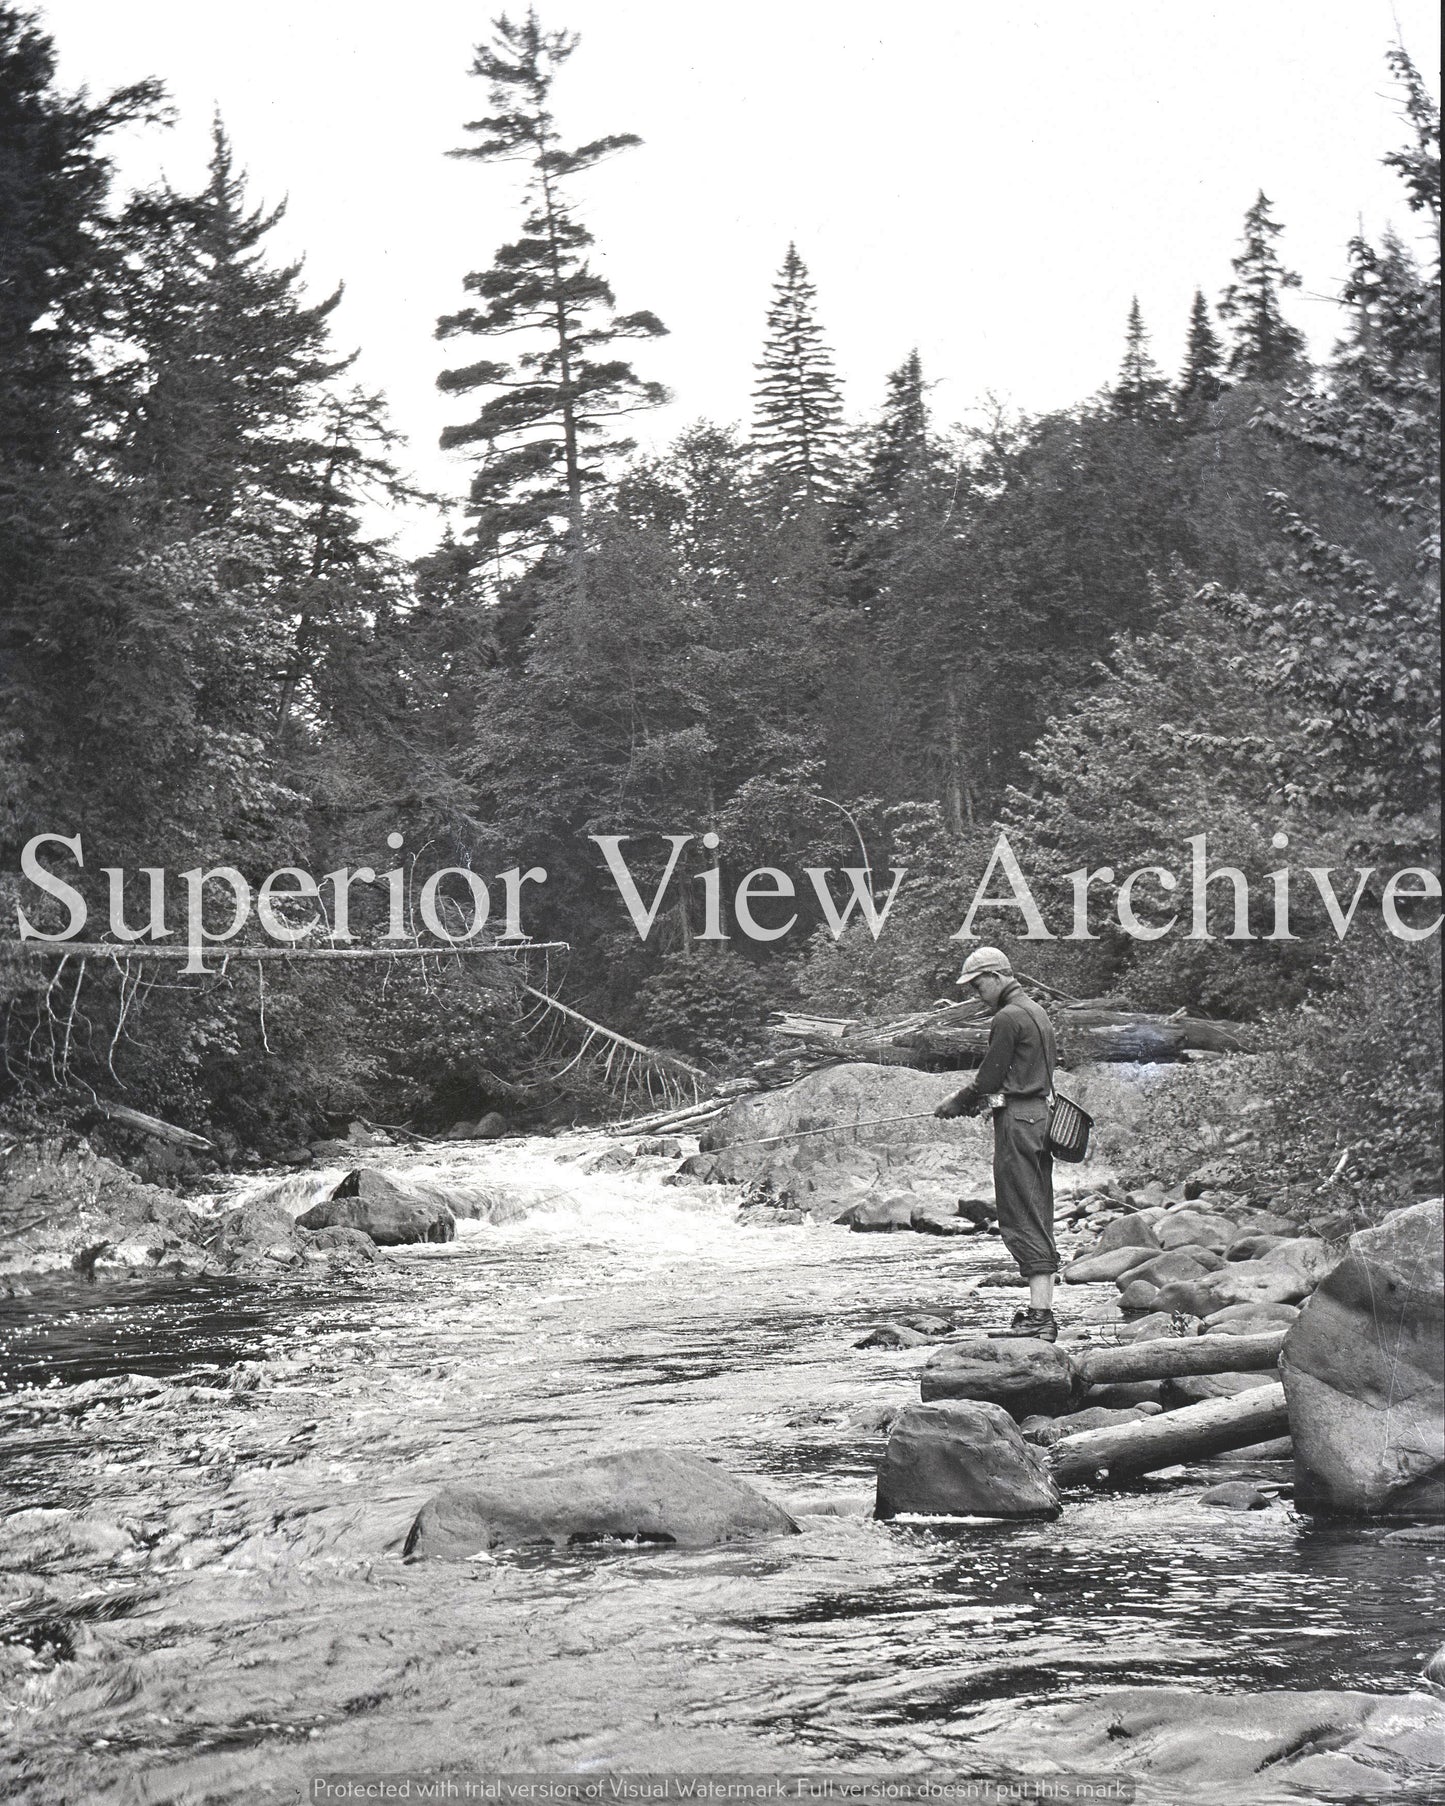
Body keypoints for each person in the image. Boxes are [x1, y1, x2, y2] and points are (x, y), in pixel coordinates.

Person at [934, 946, 1060, 1341]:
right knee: (1037, 1207)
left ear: (996, 976)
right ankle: (1041, 1312)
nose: (975, 993)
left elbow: (989, 1076)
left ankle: (1041, 1320)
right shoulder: (1036, 1011)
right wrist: (994, 1102)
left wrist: (958, 1102)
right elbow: (1023, 1074)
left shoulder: (1007, 1017)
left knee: (1020, 1212)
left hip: (1019, 1125)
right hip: (1038, 1118)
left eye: (977, 985)